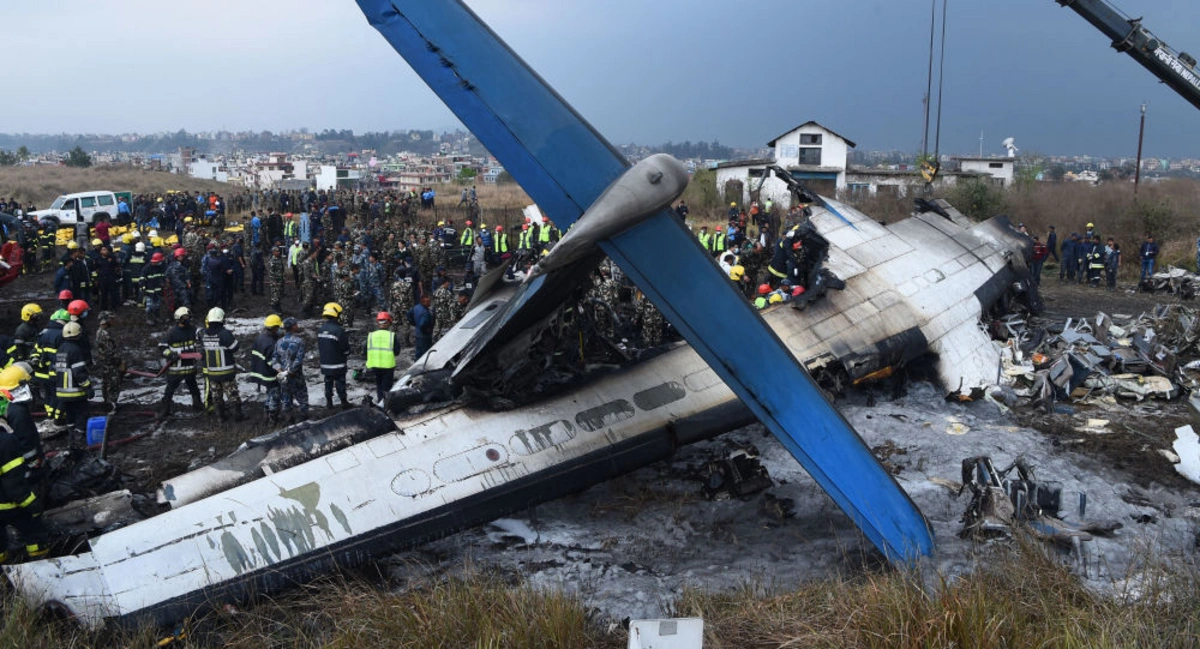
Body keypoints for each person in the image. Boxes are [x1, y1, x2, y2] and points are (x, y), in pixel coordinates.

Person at [0, 367, 49, 562]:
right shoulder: (7, 440)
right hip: (12, 501)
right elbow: (14, 483)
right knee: (33, 530)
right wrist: (32, 505)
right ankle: (40, 566)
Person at [199, 307, 244, 421]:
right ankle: (237, 416)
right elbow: (235, 348)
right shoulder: (224, 334)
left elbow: (202, 352)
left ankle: (220, 417)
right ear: (222, 319)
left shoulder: (204, 334)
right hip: (226, 372)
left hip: (212, 373)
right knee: (233, 394)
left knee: (216, 396)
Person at [158, 307, 204, 418]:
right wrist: (170, 354)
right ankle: (165, 409)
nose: (188, 319)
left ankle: (197, 405)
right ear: (179, 318)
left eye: (189, 317)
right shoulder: (171, 332)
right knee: (170, 389)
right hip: (176, 368)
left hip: (190, 367)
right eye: (186, 317)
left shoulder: (193, 329)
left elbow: (201, 339)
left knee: (194, 388)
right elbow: (162, 347)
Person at [54, 321, 92, 440]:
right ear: (78, 335)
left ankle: (71, 432)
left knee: (69, 412)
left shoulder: (60, 348)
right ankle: (79, 433)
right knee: (81, 412)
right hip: (75, 391)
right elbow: (79, 372)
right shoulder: (75, 350)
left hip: (61, 391)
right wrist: (88, 387)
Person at [272, 318, 309, 422]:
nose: (297, 326)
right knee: (302, 396)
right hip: (296, 375)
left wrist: (280, 371)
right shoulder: (299, 341)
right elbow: (299, 359)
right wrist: (291, 371)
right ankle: (303, 417)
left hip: (283, 376)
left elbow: (274, 359)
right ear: (293, 326)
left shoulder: (279, 342)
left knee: (286, 397)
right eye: (296, 324)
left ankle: (288, 418)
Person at [248, 314, 283, 423]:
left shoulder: (260, 338)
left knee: (269, 394)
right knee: (275, 396)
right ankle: (273, 419)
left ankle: (265, 414)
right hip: (269, 375)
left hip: (260, 371)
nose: (279, 330)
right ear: (274, 328)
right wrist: (281, 372)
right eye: (278, 328)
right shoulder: (270, 343)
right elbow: (272, 362)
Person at [317, 303, 351, 410]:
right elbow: (345, 348)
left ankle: (329, 403)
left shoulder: (321, 329)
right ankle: (344, 402)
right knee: (340, 384)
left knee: (328, 384)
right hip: (338, 364)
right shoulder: (339, 331)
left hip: (325, 364)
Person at [366, 312, 402, 405]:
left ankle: (380, 402)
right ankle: (385, 406)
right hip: (387, 366)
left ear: (378, 322)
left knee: (379, 386)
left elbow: (365, 350)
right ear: (389, 322)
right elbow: (397, 352)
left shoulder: (371, 335)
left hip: (375, 365)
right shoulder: (391, 336)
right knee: (386, 388)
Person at [94, 311, 124, 411]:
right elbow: (110, 352)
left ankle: (108, 404)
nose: (112, 321)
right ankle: (112, 406)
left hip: (105, 364)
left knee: (106, 384)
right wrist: (119, 363)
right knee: (113, 385)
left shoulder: (100, 332)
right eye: (110, 319)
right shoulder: (105, 334)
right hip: (110, 364)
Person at [408, 294, 434, 360]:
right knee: (426, 354)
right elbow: (423, 324)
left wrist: (414, 323)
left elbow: (408, 315)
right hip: (425, 336)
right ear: (423, 301)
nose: (430, 303)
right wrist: (426, 330)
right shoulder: (425, 312)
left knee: (418, 352)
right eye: (428, 301)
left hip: (417, 333)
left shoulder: (416, 307)